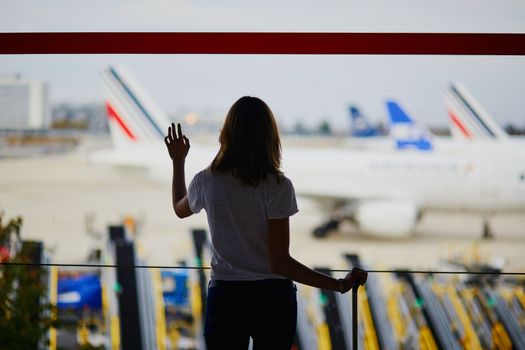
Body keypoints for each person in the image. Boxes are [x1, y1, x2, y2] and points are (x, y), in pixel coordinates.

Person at [164, 96, 367, 349]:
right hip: (273, 299)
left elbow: (179, 209)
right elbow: (280, 262)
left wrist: (178, 161)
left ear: (227, 132)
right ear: (269, 136)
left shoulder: (207, 181)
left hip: (226, 296)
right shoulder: (278, 186)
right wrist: (337, 284)